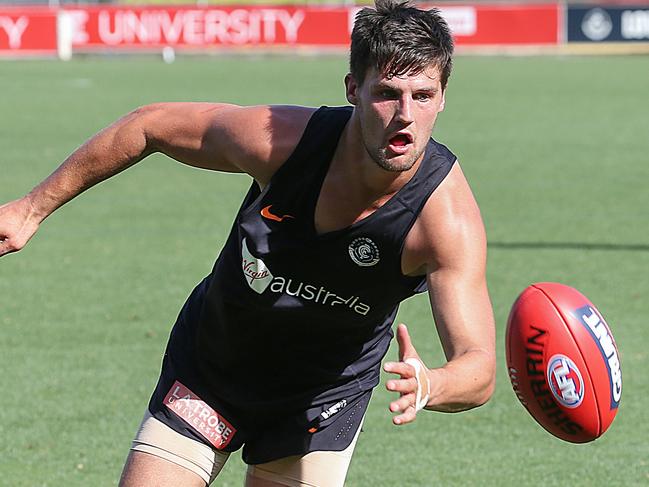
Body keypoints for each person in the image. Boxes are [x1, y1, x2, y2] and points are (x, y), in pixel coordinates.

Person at [0, 1, 496, 485]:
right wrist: (30, 209)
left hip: (320, 403)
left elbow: (478, 368)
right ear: (353, 89)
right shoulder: (279, 142)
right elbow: (149, 125)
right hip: (213, 367)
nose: (405, 114)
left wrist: (432, 383)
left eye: (424, 95)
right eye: (387, 93)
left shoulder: (444, 219)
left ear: (443, 96)